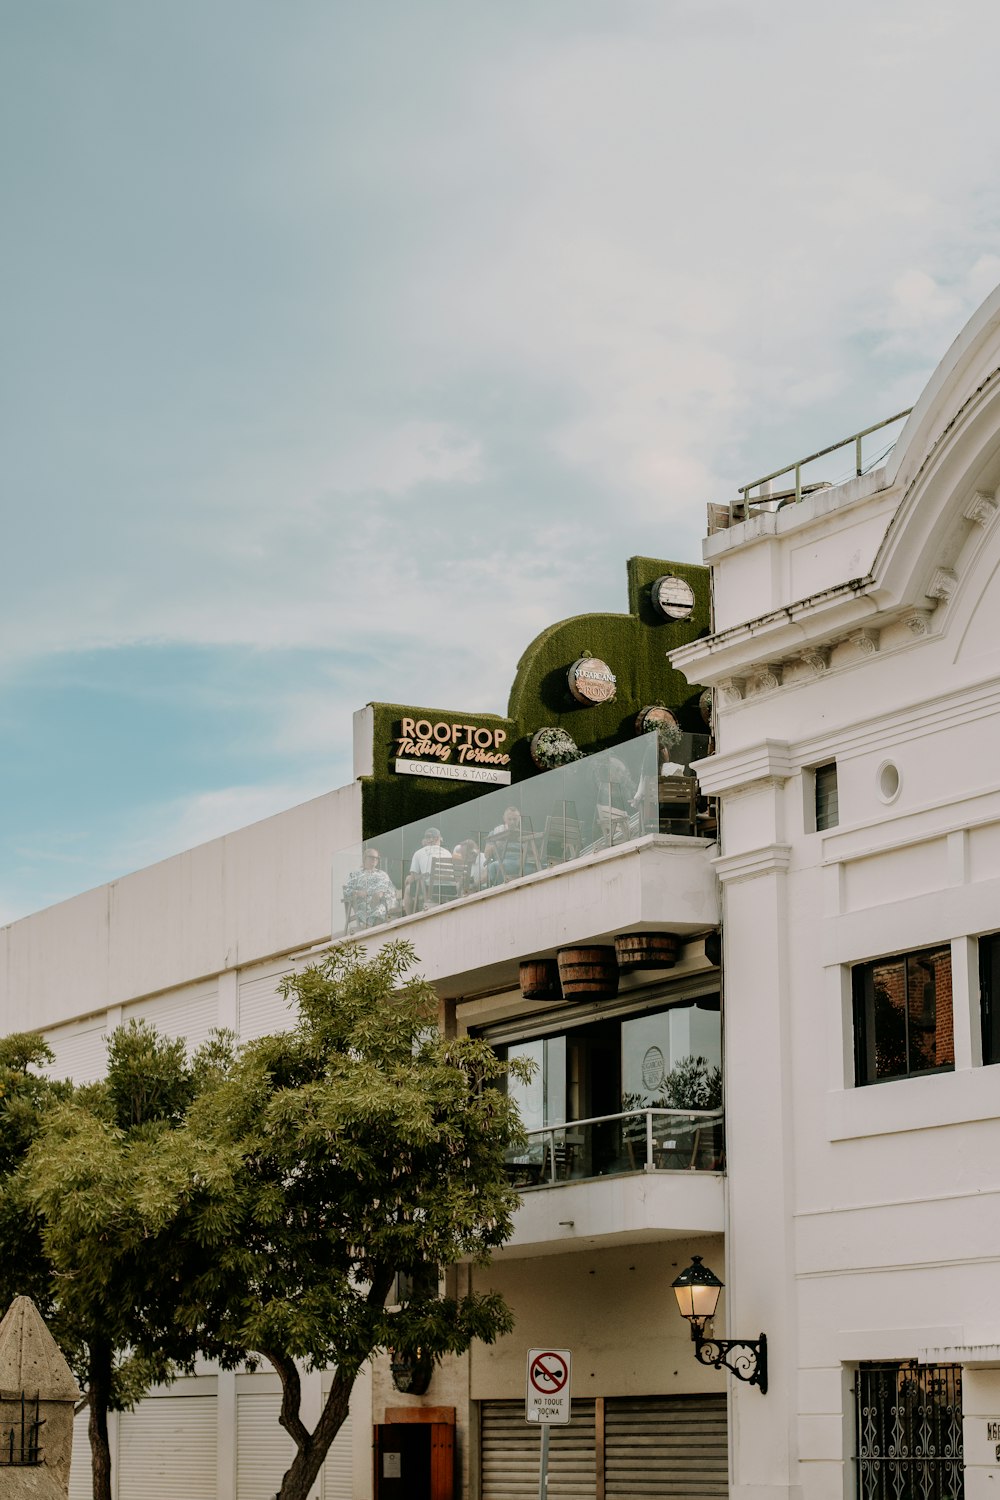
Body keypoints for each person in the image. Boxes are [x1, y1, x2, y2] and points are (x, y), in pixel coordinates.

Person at [342, 848, 398, 930]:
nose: (374, 859)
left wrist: (381, 893)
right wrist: (357, 892)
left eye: (376, 858)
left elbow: (392, 890)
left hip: (383, 902)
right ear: (364, 858)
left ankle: (372, 928)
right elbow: (346, 890)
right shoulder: (355, 875)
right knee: (377, 915)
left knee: (379, 911)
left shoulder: (382, 874)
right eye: (372, 857)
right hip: (364, 904)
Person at [403, 827, 451, 913]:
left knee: (408, 889)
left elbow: (414, 877)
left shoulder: (419, 852)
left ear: (427, 840)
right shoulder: (448, 852)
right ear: (437, 839)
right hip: (450, 888)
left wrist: (410, 878)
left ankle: (409, 916)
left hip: (430, 889)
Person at [485, 806, 535, 885]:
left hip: (521, 862)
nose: (512, 822)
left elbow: (532, 853)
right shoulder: (495, 832)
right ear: (504, 819)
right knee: (493, 867)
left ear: (519, 820)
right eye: (509, 819)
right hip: (504, 861)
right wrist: (498, 842)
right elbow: (487, 855)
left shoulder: (523, 833)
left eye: (514, 819)